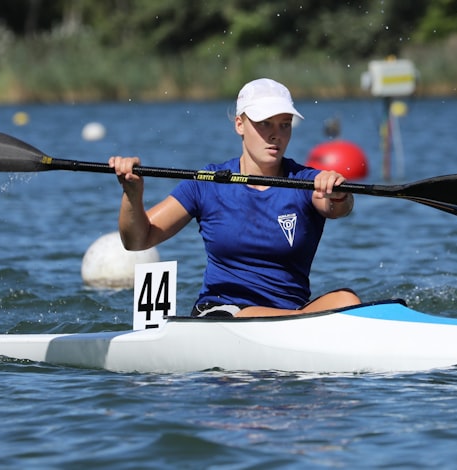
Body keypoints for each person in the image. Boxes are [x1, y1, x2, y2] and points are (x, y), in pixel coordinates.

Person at [109, 78, 362, 318]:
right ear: (239, 124)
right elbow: (138, 240)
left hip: (291, 316)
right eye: (265, 123)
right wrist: (132, 194)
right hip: (224, 312)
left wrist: (339, 193)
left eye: (284, 124)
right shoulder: (207, 184)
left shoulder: (305, 181)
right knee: (251, 314)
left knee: (347, 300)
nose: (276, 135)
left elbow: (336, 207)